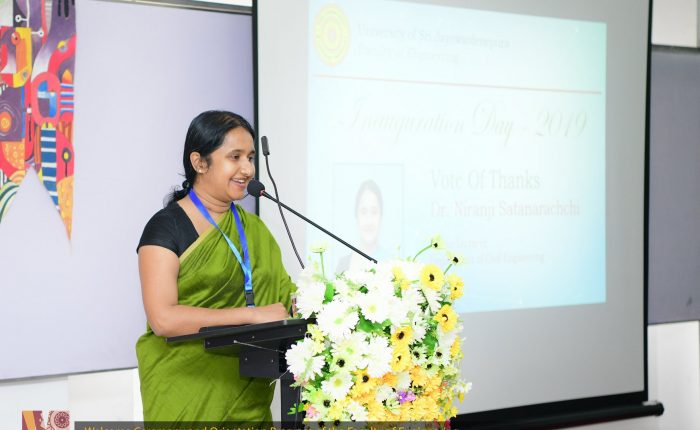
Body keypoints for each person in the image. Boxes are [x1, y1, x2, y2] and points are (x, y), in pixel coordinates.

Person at [135, 110, 294, 423]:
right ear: (199, 162)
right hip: (185, 392)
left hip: (248, 395)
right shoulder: (166, 228)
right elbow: (163, 319)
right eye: (235, 157)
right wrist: (251, 316)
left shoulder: (254, 229)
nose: (248, 169)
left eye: (250, 157)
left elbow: (284, 296)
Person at [336, 179, 384, 273]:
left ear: (381, 216)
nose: (369, 221)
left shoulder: (392, 265)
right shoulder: (343, 265)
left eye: (374, 211)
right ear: (356, 216)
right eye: (363, 211)